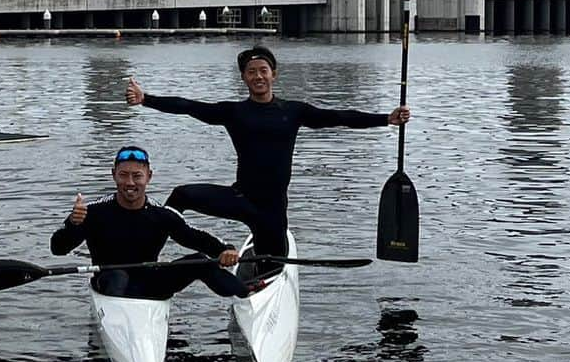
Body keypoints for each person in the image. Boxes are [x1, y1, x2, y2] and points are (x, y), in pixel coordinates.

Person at [124, 45, 411, 262]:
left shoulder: (293, 111)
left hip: (272, 210)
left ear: (274, 74)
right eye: (251, 72)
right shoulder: (233, 112)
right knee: (181, 196)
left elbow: (339, 116)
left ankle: (258, 277)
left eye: (263, 70)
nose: (258, 76)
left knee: (270, 263)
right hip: (240, 198)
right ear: (243, 78)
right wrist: (146, 99)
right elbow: (188, 106)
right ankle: (148, 255)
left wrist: (385, 118)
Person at [50, 145, 255, 300]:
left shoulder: (162, 214)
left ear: (149, 177)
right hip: (109, 283)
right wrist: (73, 223)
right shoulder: (93, 212)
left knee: (199, 260)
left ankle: (247, 297)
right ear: (114, 176)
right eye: (123, 175)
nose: (130, 183)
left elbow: (195, 237)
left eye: (137, 176)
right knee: (118, 276)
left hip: (150, 284)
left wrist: (225, 249)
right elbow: (58, 249)